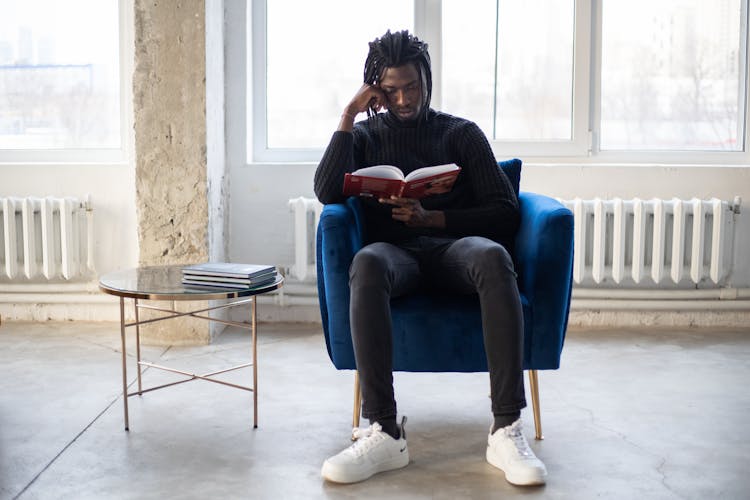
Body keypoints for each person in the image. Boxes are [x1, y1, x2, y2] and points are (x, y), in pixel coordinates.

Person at [313, 29, 547, 486]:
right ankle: (383, 429)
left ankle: (506, 428)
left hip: (453, 251)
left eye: (412, 87)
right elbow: (325, 191)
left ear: (428, 80)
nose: (403, 100)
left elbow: (505, 211)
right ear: (376, 89)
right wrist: (347, 114)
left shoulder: (460, 133)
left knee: (494, 256)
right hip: (396, 259)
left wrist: (431, 219)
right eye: (391, 89)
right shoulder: (362, 136)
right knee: (367, 263)